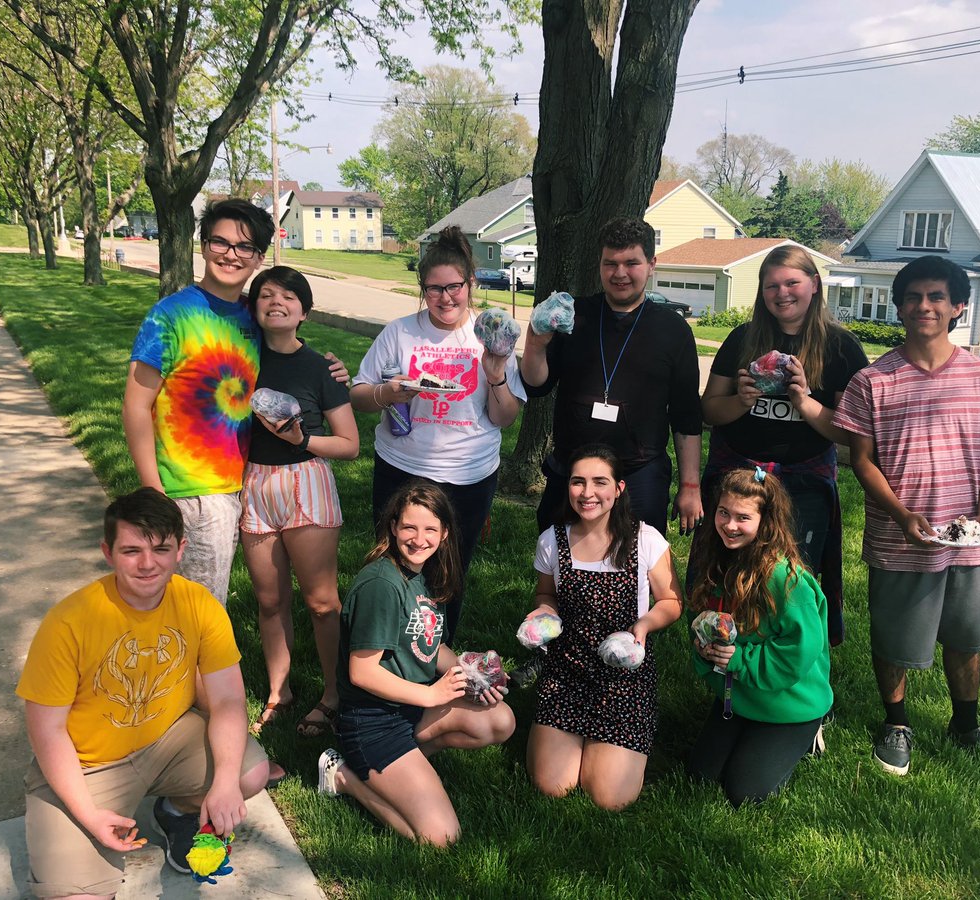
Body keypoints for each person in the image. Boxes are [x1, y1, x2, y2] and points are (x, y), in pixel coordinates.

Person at [16, 488, 271, 897]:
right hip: (87, 767)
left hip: (167, 740)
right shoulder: (67, 622)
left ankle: (176, 813)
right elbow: (47, 732)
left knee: (249, 772)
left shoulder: (199, 604)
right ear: (108, 552)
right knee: (78, 896)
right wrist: (89, 815)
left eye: (161, 548)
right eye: (132, 550)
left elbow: (227, 700)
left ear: (181, 549)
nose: (148, 564)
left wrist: (223, 780)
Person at [833, 255, 980, 779]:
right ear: (898, 306)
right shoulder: (872, 380)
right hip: (901, 537)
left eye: (937, 296)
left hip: (967, 537)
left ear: (958, 306)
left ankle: (966, 726)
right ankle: (896, 723)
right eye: (914, 296)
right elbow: (861, 460)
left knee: (967, 638)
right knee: (894, 638)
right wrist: (900, 516)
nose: (925, 306)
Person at [123, 199, 347, 603]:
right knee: (199, 612)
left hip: (238, 485)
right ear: (203, 245)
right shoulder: (170, 315)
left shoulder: (251, 315)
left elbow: (289, 353)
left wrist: (332, 370)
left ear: (259, 257)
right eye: (220, 242)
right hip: (188, 490)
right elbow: (137, 404)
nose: (230, 254)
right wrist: (152, 490)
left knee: (191, 610)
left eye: (244, 247)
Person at [316, 481, 516, 847]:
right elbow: (362, 672)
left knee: (500, 719)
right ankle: (345, 774)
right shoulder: (381, 584)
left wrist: (474, 674)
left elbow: (429, 643)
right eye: (409, 527)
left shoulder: (424, 574)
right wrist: (432, 696)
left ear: (444, 533)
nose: (419, 538)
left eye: (430, 529)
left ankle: (403, 766)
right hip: (372, 721)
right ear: (393, 527)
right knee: (441, 837)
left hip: (410, 709)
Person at [350, 225, 526, 640]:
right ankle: (385, 652)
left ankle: (435, 653)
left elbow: (504, 419)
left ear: (471, 283)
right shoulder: (400, 332)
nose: (445, 298)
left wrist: (496, 373)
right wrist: (387, 392)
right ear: (422, 287)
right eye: (434, 289)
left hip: (469, 475)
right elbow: (358, 396)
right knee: (395, 564)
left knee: (450, 569)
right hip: (402, 469)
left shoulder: (491, 335)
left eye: (454, 287)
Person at [697, 245, 868, 645]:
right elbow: (708, 410)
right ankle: (728, 666)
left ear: (814, 284)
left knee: (795, 576)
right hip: (739, 476)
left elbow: (851, 432)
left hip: (802, 479)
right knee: (730, 571)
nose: (782, 292)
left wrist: (806, 403)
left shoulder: (841, 348)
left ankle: (793, 667)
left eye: (792, 282)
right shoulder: (743, 338)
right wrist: (740, 401)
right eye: (771, 285)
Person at [520, 217, 703, 538]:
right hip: (572, 471)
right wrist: (535, 345)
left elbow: (687, 417)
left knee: (636, 570)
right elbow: (537, 386)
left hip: (639, 472)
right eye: (611, 263)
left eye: (631, 263)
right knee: (561, 567)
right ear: (600, 265)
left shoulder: (673, 330)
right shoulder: (573, 314)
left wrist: (690, 487)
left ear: (651, 265)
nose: (620, 273)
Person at [523, 444, 682, 810]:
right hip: (567, 672)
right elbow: (545, 594)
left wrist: (642, 626)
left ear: (619, 489)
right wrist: (542, 615)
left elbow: (672, 602)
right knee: (552, 786)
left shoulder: (646, 539)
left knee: (608, 797)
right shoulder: (552, 539)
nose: (588, 493)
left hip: (625, 676)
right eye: (578, 482)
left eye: (600, 482)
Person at [239, 266, 360, 739]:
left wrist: (300, 437)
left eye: (288, 296)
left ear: (304, 312)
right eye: (265, 295)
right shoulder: (241, 361)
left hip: (306, 483)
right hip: (255, 484)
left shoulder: (319, 368)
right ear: (254, 309)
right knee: (270, 600)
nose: (276, 302)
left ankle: (333, 695)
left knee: (322, 602)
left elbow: (349, 443)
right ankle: (279, 692)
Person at [686, 468, 831, 806]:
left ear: (765, 521)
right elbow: (705, 618)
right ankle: (748, 727)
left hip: (790, 700)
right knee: (701, 775)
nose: (729, 525)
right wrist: (703, 645)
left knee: (744, 793)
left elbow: (800, 649)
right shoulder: (719, 559)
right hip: (740, 695)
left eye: (742, 517)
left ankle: (810, 729)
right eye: (724, 512)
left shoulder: (784, 579)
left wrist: (738, 659)